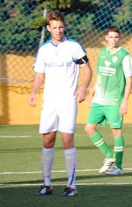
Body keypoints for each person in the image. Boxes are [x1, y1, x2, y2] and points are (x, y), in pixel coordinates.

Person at [28, 11, 92, 197]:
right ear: (48, 28)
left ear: (65, 27)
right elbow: (40, 74)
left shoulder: (74, 47)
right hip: (49, 102)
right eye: (54, 27)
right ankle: (46, 184)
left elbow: (87, 70)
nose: (58, 31)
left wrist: (83, 87)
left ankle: (71, 185)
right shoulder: (44, 50)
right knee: (48, 140)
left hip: (68, 101)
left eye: (61, 27)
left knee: (67, 140)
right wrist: (33, 92)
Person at [84, 26, 132, 175]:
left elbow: (129, 79)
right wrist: (91, 94)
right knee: (89, 128)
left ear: (119, 39)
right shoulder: (101, 53)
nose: (113, 40)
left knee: (116, 132)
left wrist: (125, 101)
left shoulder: (124, 55)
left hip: (114, 101)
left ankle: (118, 167)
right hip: (99, 100)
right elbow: (99, 75)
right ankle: (108, 155)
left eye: (116, 37)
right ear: (106, 37)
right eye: (111, 37)